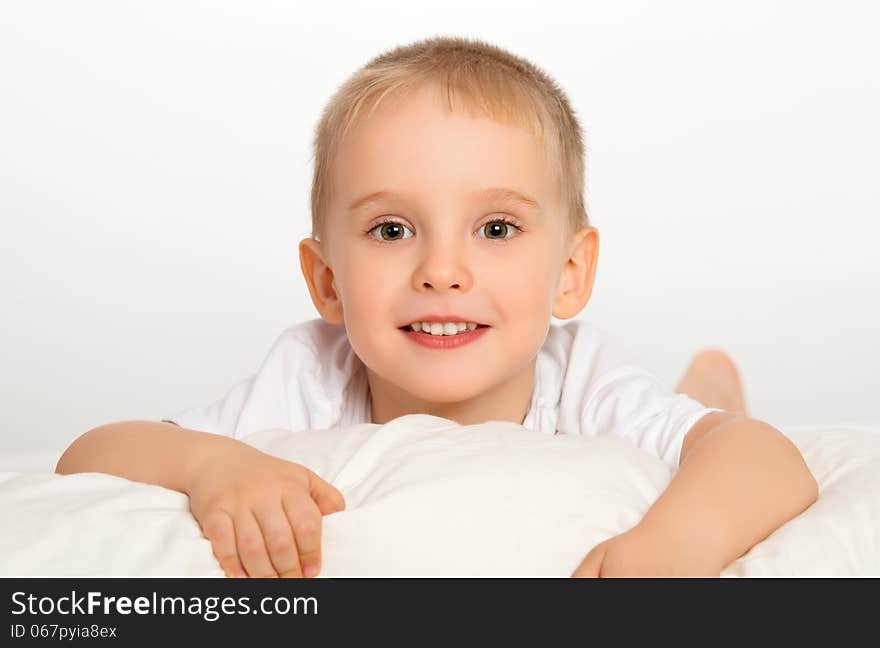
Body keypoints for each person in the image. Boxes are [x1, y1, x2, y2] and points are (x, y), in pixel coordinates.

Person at [56, 36, 817, 579]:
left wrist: (678, 543)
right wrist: (212, 463)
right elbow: (90, 454)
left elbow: (766, 459)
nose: (443, 272)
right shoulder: (308, 376)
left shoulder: (581, 374)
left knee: (693, 425)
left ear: (570, 273)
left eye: (496, 228)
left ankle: (705, 391)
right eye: (392, 230)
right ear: (326, 282)